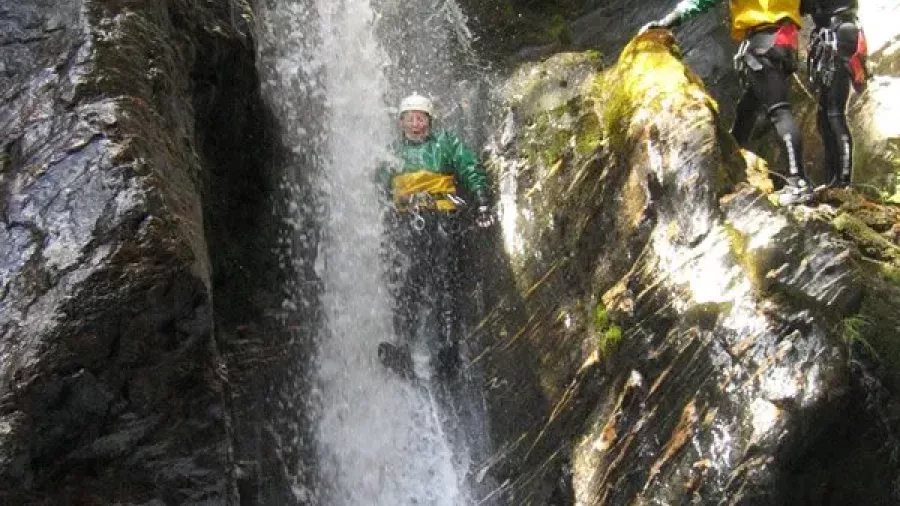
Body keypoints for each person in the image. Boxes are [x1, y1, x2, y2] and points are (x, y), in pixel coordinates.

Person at [642, 0, 814, 205]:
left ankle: (799, 183)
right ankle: (733, 159)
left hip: (764, 38)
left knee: (779, 111)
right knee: (748, 108)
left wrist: (668, 21)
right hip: (785, 38)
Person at [375, 93, 493, 379]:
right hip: (407, 222)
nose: (416, 124)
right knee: (407, 282)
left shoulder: (445, 143)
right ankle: (403, 347)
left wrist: (480, 197)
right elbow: (379, 186)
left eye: (421, 118)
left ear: (429, 121)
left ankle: (449, 350)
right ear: (401, 122)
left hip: (441, 218)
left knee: (444, 281)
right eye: (410, 118)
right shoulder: (391, 153)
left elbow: (469, 165)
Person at [802, 0, 869, 188]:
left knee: (834, 115)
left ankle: (843, 182)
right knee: (824, 119)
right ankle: (833, 180)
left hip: (839, 34)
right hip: (834, 33)